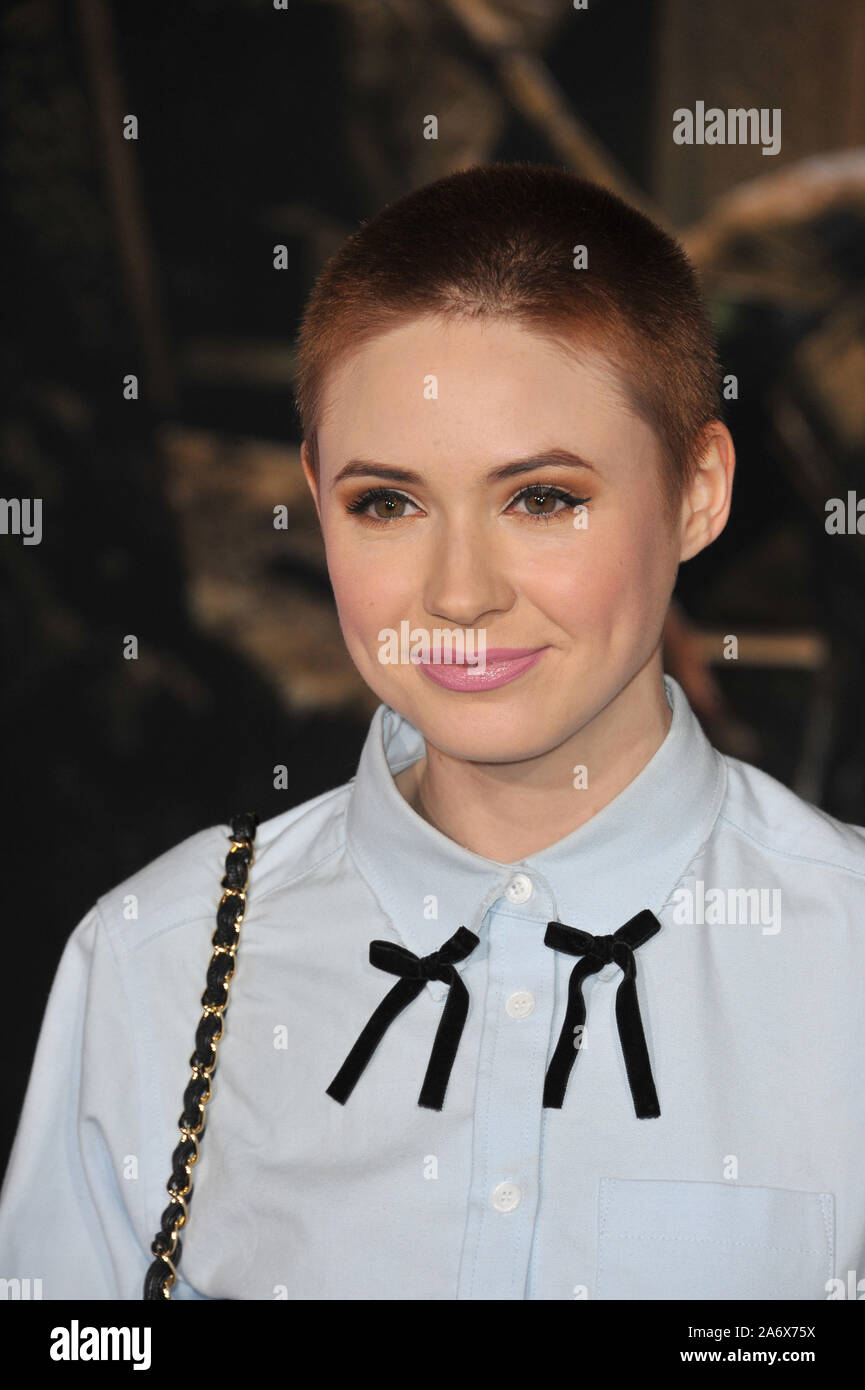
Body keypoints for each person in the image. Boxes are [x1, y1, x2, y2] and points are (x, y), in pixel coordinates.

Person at [1, 161, 863, 1302]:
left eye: (543, 497)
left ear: (697, 492)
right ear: (317, 500)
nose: (457, 593)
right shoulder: (150, 959)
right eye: (387, 503)